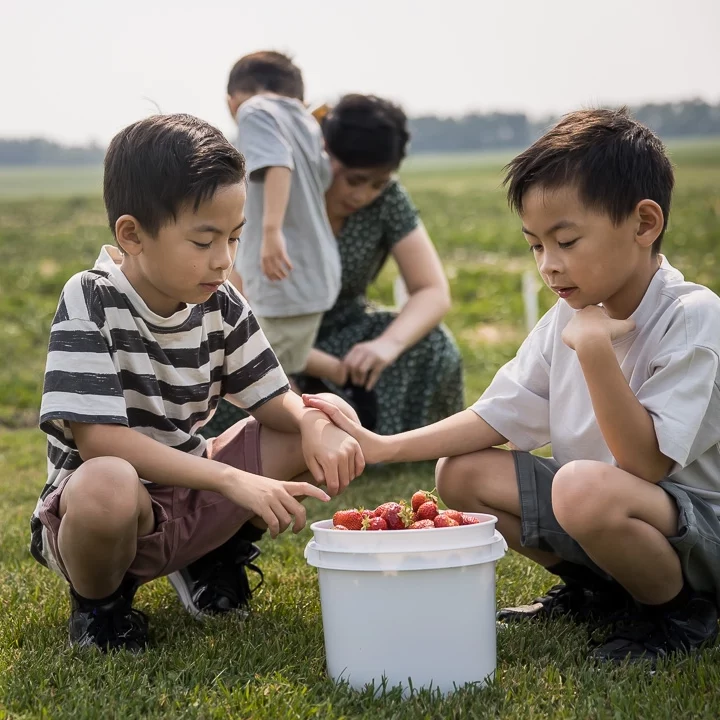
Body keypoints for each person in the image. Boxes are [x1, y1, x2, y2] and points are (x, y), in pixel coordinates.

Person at [303, 107, 720, 666]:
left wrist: (596, 350)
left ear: (645, 224)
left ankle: (678, 613)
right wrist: (382, 446)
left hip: (697, 531)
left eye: (567, 241)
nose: (549, 265)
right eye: (535, 245)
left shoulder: (691, 317)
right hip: (607, 508)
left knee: (580, 487)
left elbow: (644, 465)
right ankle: (598, 591)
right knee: (462, 471)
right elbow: (496, 416)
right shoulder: (567, 316)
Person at [30, 113, 363, 653]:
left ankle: (210, 557)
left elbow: (275, 401)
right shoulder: (91, 298)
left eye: (234, 237)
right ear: (132, 235)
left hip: (190, 491)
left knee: (316, 419)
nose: (225, 260)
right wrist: (232, 482)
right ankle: (100, 607)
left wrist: (313, 424)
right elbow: (99, 442)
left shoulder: (222, 301)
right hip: (110, 513)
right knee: (108, 482)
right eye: (204, 240)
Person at [212, 94, 463, 437]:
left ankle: (386, 444)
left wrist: (385, 346)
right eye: (354, 180)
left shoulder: (389, 200)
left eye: (377, 184)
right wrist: (309, 360)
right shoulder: (277, 192)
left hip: (348, 336)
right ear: (323, 153)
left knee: (434, 344)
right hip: (268, 337)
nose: (363, 196)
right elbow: (238, 302)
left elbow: (432, 291)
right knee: (224, 373)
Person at [226, 51, 340, 381]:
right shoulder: (305, 119)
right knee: (277, 376)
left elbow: (277, 163)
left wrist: (272, 232)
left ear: (231, 101)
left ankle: (322, 430)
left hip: (282, 278)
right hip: (312, 276)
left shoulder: (253, 111)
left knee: (265, 383)